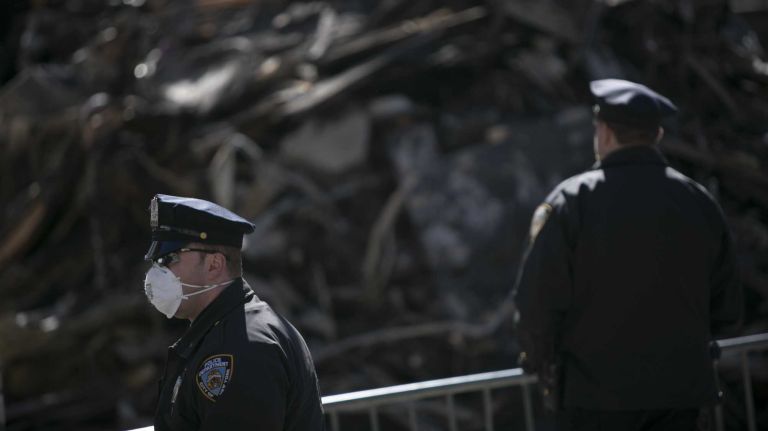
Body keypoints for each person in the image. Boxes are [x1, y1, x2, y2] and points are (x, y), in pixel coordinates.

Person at [512, 79, 743, 430]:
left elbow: (536, 303)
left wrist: (543, 363)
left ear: (604, 133)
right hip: (680, 399)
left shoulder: (572, 202)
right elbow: (727, 310)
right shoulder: (698, 201)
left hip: (595, 400)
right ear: (658, 134)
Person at [143, 194, 325, 431]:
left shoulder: (243, 346)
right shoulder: (226, 332)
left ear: (214, 265)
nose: (158, 272)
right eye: (157, 261)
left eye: (169, 258)